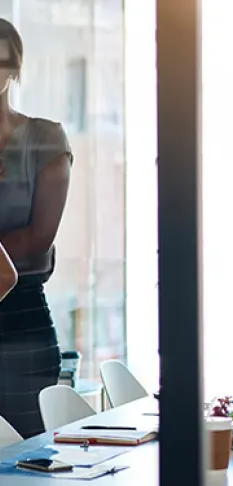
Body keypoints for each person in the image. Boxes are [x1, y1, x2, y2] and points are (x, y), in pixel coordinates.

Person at [0, 19, 72, 438]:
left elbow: (35, 240)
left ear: (13, 71)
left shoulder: (45, 139)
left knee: (27, 463)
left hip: (23, 328)